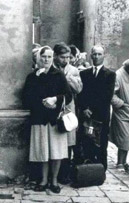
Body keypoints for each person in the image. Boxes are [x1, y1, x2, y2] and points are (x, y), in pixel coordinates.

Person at [23, 46, 72, 193]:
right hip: (39, 118)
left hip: (54, 119)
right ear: (39, 58)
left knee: (56, 152)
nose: (46, 59)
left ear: (53, 58)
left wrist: (55, 99)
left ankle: (54, 180)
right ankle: (43, 180)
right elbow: (26, 98)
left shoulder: (59, 75)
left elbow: (68, 96)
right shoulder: (32, 77)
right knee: (43, 151)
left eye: (49, 57)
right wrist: (40, 102)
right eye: (44, 56)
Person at [77, 45, 116, 171]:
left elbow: (107, 95)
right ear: (90, 55)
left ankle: (100, 170)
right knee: (86, 140)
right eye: (94, 54)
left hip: (101, 114)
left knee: (101, 142)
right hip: (86, 113)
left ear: (104, 56)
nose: (97, 57)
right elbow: (81, 93)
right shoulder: (84, 73)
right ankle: (87, 169)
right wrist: (84, 108)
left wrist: (92, 109)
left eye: (99, 54)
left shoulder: (110, 75)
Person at [53, 43, 82, 184]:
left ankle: (64, 174)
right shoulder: (50, 68)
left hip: (68, 110)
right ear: (56, 56)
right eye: (62, 57)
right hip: (54, 109)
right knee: (55, 141)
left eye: (68, 57)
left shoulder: (74, 70)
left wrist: (68, 77)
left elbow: (79, 89)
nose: (66, 60)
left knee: (69, 143)